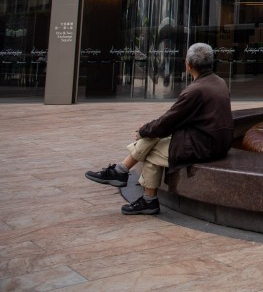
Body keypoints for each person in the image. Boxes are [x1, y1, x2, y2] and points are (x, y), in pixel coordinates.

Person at [85, 42, 232, 215]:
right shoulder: (219, 82)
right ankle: (123, 174)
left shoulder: (195, 90)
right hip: (215, 141)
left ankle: (136, 187)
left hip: (203, 145)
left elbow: (168, 121)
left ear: (188, 65)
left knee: (151, 147)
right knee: (154, 136)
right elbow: (172, 121)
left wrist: (142, 131)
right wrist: (150, 130)